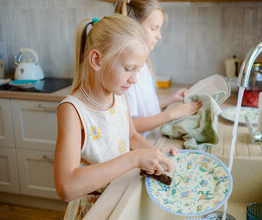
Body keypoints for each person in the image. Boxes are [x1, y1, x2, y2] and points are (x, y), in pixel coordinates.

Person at [54, 14, 177, 219]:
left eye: (138, 70)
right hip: (94, 209)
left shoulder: (118, 96)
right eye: (129, 69)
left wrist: (156, 155)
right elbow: (66, 187)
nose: (135, 79)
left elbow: (132, 137)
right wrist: (134, 158)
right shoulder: (72, 110)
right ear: (96, 60)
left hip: (119, 197)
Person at [114, 0, 202, 137]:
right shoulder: (126, 75)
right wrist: (172, 114)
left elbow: (146, 110)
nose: (159, 36)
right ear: (133, 27)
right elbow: (131, 126)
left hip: (150, 138)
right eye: (154, 28)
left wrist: (171, 99)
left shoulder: (143, 66)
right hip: (137, 146)